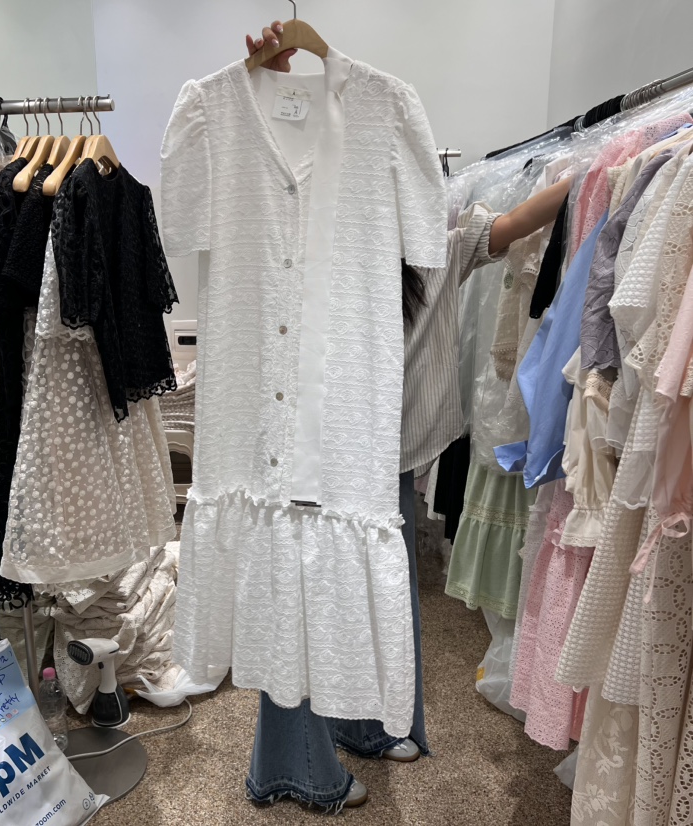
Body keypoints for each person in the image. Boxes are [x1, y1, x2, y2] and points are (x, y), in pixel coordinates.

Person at [241, 22, 573, 811]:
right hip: (318, 467)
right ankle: (296, 768)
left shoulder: (437, 251)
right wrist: (268, 82)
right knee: (310, 610)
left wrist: (601, 173)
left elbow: (516, 223)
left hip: (390, 461)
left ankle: (367, 722)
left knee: (375, 602)